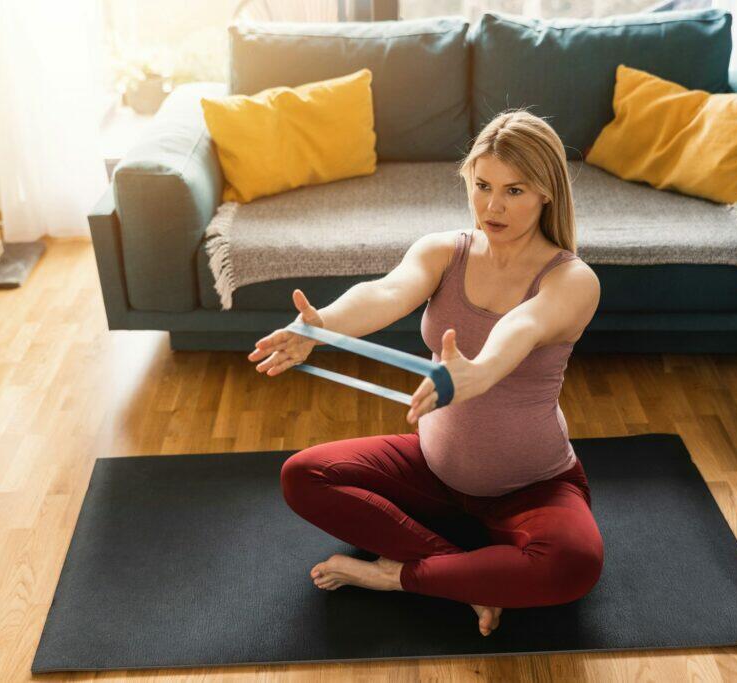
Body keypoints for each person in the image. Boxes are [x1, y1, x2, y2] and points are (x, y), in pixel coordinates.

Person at [247, 109, 603, 637]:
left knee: (574, 563)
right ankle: (466, 576)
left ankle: (399, 577)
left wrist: (476, 372)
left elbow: (521, 330)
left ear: (547, 192)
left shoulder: (572, 280)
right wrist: (320, 328)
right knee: (302, 476)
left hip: (533, 486)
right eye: (482, 185)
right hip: (433, 470)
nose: (492, 206)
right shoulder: (444, 250)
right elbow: (387, 291)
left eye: (515, 191)